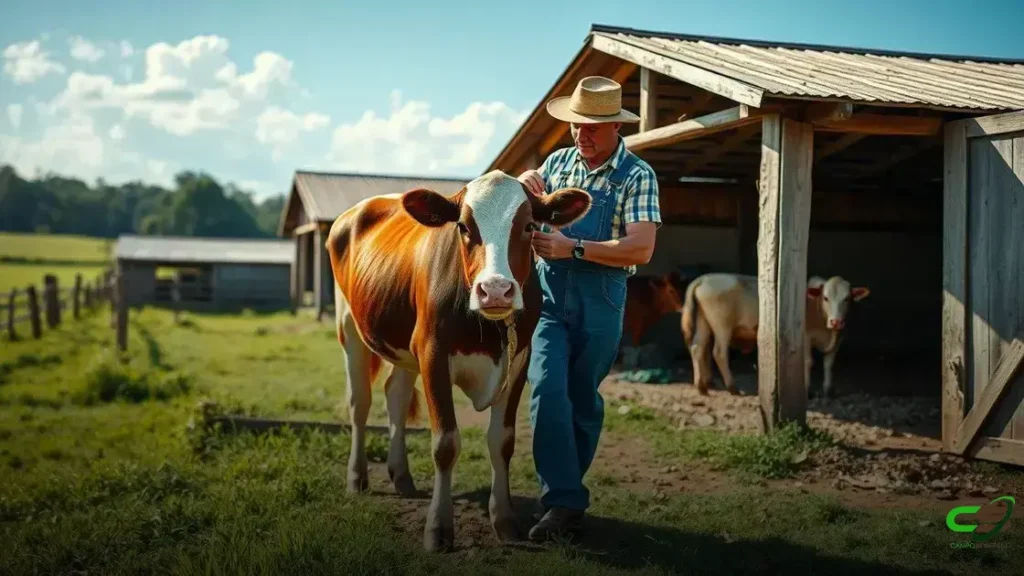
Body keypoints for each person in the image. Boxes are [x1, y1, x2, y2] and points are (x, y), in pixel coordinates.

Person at [518, 76, 661, 541]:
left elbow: (640, 250)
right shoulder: (557, 163)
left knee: (582, 400)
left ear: (616, 127)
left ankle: (563, 501)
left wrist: (572, 248)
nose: (583, 135)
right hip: (550, 301)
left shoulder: (637, 175)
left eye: (594, 127)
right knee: (545, 393)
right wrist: (522, 184)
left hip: (602, 301)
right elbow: (522, 206)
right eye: (577, 125)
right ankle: (562, 499)